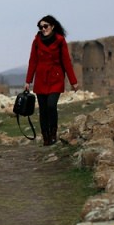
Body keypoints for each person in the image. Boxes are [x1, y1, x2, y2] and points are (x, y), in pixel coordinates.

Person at [25, 15, 79, 146]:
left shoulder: (60, 41)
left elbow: (66, 61)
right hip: (41, 78)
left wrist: (73, 81)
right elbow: (33, 61)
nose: (43, 29)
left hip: (55, 77)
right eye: (41, 27)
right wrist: (28, 80)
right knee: (43, 110)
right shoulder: (37, 41)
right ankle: (46, 137)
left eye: (45, 26)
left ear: (52, 26)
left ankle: (53, 133)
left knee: (51, 106)